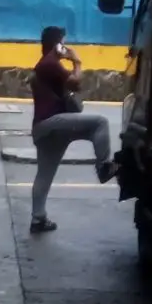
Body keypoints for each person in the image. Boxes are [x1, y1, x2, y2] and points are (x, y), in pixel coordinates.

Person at [29, 25, 117, 234]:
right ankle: (104, 166)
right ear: (57, 44)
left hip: (44, 128)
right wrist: (76, 60)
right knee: (100, 123)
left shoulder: (44, 64)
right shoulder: (50, 63)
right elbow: (76, 83)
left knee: (44, 175)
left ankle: (38, 219)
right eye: (64, 43)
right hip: (54, 123)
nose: (66, 47)